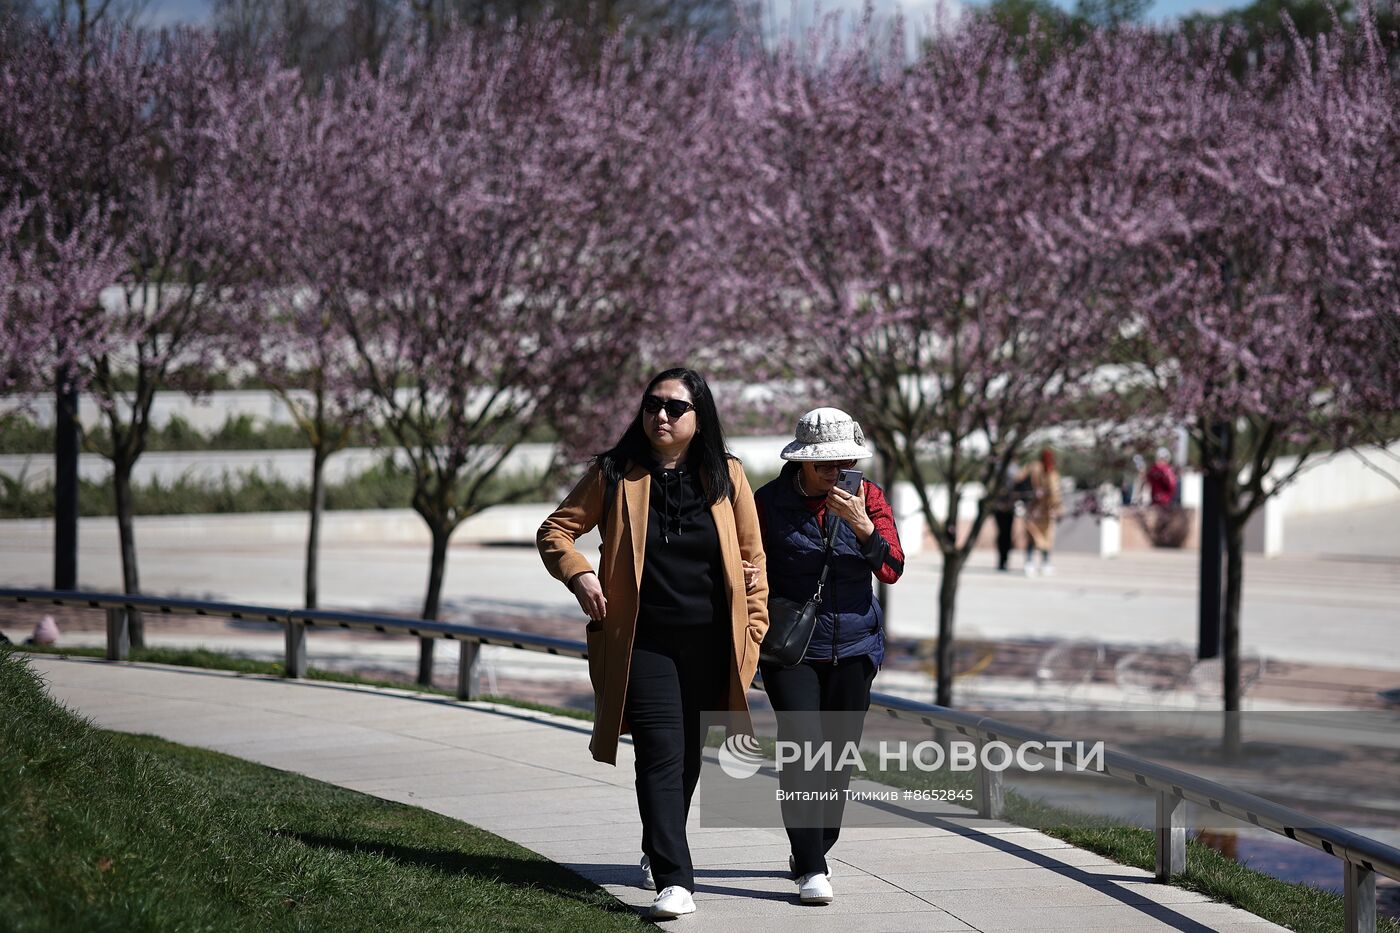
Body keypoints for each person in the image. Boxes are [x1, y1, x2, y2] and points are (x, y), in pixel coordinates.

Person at [536, 367, 768, 920]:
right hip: (644, 643)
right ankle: (674, 877)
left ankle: (657, 846)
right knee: (661, 755)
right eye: (652, 404)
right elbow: (555, 530)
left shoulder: (727, 475)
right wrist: (579, 574)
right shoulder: (614, 473)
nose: (660, 415)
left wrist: (752, 633)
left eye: (675, 408)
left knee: (687, 758)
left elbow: (755, 561)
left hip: (711, 643)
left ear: (699, 417)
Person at [753, 408, 904, 905]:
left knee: (836, 761)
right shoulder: (769, 502)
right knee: (803, 749)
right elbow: (745, 563)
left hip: (856, 647)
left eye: (844, 464)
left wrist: (863, 528)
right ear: (800, 463)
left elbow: (892, 570)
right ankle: (812, 867)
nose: (836, 474)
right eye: (825, 466)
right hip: (792, 651)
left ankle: (813, 847)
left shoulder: (868, 496)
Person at [1023, 447, 1063, 577]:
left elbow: (1056, 493)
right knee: (1033, 538)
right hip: (1035, 510)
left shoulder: (1052, 473)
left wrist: (1057, 508)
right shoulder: (1035, 468)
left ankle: (1044, 563)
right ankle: (1030, 563)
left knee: (1046, 539)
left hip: (1045, 512)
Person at [990, 464, 1024, 572]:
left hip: (1009, 507)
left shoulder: (1015, 469)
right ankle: (1002, 559)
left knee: (1007, 534)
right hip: (999, 507)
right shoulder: (997, 468)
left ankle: (1004, 560)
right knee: (1002, 534)